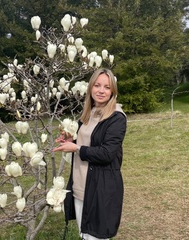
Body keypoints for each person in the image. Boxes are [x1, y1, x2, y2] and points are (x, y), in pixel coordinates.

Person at [53, 68, 127, 240]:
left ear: (113, 91)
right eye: (97, 85)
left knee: (96, 237)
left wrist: (77, 148)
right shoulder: (88, 114)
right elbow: (88, 141)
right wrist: (71, 138)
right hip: (81, 186)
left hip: (100, 189)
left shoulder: (116, 117)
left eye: (107, 87)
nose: (101, 90)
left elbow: (107, 153)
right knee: (84, 235)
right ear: (90, 88)